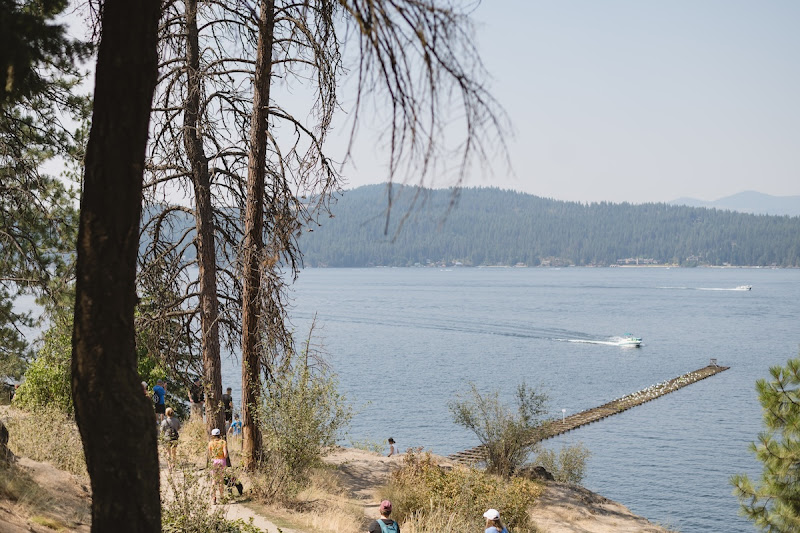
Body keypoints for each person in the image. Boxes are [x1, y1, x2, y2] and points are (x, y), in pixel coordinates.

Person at [207, 428, 228, 504]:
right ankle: (222, 497)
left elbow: (209, 454)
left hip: (214, 461)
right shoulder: (223, 442)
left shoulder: (210, 443)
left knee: (214, 480)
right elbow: (225, 454)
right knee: (221, 480)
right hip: (221, 461)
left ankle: (213, 498)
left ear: (212, 435)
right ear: (219, 434)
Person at [160, 407, 181, 471]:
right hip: (174, 438)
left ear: (166, 413)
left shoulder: (164, 422)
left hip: (167, 438)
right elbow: (179, 428)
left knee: (168, 452)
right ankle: (173, 464)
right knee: (174, 452)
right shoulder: (176, 420)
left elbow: (162, 431)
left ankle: (169, 466)